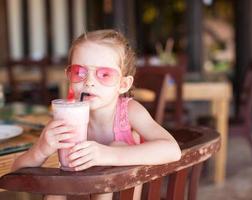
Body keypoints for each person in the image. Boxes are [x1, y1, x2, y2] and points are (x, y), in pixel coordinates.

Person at [11, 29, 181, 200]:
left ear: (123, 84)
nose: (89, 82)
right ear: (69, 76)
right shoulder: (65, 119)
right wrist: (41, 150)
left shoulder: (129, 112)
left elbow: (173, 150)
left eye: (104, 74)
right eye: (79, 72)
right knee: (54, 175)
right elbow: (16, 172)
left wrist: (107, 154)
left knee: (118, 145)